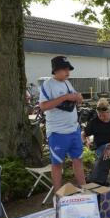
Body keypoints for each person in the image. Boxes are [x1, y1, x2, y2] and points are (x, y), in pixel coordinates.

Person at [39, 56, 86, 190]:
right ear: (56, 70)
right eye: (65, 69)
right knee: (57, 164)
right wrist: (65, 97)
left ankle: (83, 189)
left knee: (78, 160)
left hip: (74, 129)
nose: (68, 73)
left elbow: (77, 98)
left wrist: (78, 98)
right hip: (57, 132)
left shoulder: (67, 83)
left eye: (69, 69)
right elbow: (43, 106)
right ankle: (58, 195)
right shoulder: (48, 84)